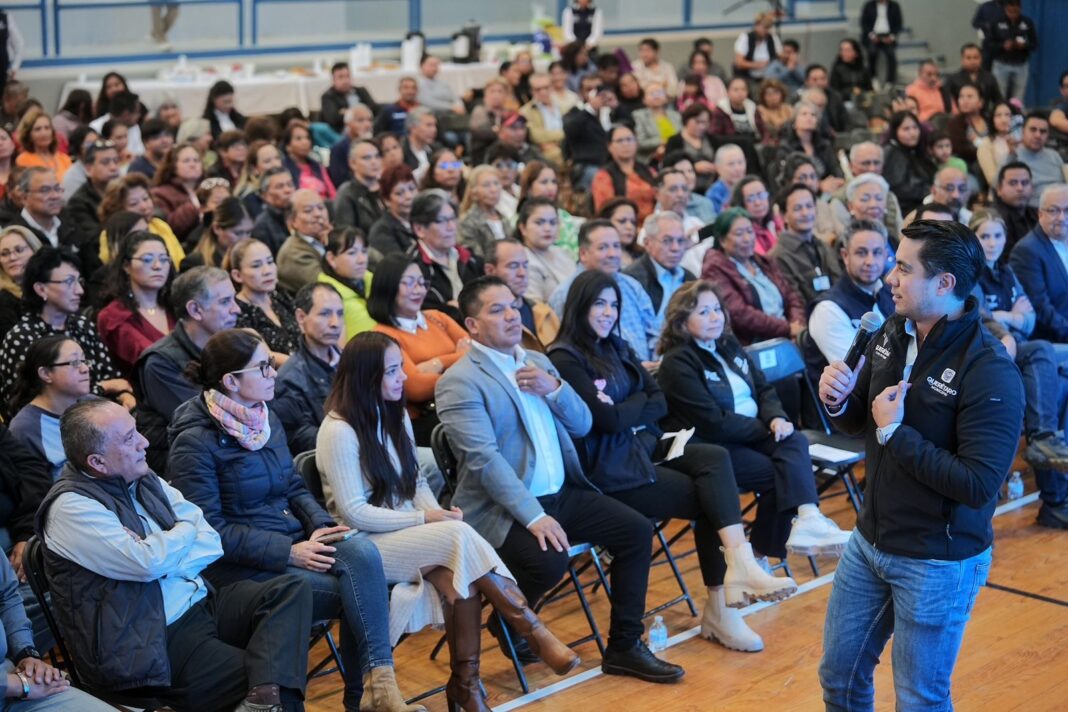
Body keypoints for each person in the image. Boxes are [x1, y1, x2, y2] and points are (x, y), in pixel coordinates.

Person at [817, 219, 1024, 711]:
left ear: (944, 283)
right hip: (869, 542)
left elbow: (977, 485)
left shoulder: (989, 368)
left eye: (904, 268)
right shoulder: (890, 329)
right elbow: (862, 422)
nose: (890, 276)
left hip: (937, 561)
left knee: (919, 699)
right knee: (838, 678)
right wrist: (840, 403)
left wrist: (895, 432)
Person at [436, 276, 684, 684]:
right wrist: (534, 517)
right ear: (473, 325)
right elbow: (484, 461)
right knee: (550, 560)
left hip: (562, 493)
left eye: (513, 305)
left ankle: (624, 647)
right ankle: (512, 617)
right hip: (503, 509)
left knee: (636, 532)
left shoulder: (541, 362)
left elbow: (584, 424)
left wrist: (555, 390)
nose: (511, 315)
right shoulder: (460, 381)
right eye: (496, 310)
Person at [319, 331, 577, 710]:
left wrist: (433, 516)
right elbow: (355, 512)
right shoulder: (338, 430)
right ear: (364, 378)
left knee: (462, 579)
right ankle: (526, 627)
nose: (403, 377)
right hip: (364, 547)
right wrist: (428, 517)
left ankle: (466, 685)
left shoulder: (394, 416)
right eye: (392, 371)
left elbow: (417, 482)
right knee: (459, 536)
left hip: (406, 535)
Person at [167, 329, 420, 712]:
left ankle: (376, 691)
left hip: (294, 542)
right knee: (366, 591)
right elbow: (211, 532)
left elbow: (293, 487)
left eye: (272, 363)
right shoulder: (194, 441)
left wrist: (319, 523)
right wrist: (288, 551)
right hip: (242, 571)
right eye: (264, 366)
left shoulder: (264, 419)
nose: (274, 373)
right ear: (231, 381)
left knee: (364, 555)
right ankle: (366, 698)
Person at [550, 271, 798, 652]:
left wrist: (625, 409)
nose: (608, 312)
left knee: (713, 460)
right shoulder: (566, 358)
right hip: (613, 466)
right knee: (711, 500)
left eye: (614, 304)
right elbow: (607, 421)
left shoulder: (616, 345)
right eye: (599, 303)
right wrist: (631, 409)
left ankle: (739, 569)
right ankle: (723, 606)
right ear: (578, 306)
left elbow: (656, 400)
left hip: (649, 444)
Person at [40, 398, 314, 710]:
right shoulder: (71, 507)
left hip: (198, 601)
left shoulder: (141, 476)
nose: (144, 442)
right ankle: (266, 693)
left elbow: (210, 539)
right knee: (279, 681)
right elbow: (148, 563)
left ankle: (262, 698)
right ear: (97, 463)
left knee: (290, 589)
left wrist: (162, 546)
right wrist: (182, 532)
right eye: (129, 438)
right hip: (150, 638)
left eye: (136, 430)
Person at [657, 279, 851, 561]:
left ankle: (809, 518)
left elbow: (763, 388)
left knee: (794, 439)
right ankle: (761, 554)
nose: (714, 317)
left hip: (752, 434)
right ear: (682, 321)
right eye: (702, 312)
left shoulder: (727, 343)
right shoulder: (677, 363)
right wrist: (768, 428)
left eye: (716, 309)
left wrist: (776, 418)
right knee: (778, 473)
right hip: (713, 446)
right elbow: (713, 422)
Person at [971, 209, 1068, 524]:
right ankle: (1043, 439)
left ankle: (1055, 491)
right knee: (1041, 350)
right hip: (986, 354)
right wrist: (1010, 317)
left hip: (1015, 349)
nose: (992, 242)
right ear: (972, 238)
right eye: (984, 236)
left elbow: (1031, 318)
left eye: (997, 235)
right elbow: (981, 319)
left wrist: (1009, 318)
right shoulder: (969, 273)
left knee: (1062, 381)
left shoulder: (1007, 271)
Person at [0, 248, 132, 418]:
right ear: (41, 289)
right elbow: (36, 404)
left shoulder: (82, 325)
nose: (80, 291)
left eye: (79, 281)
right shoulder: (22, 337)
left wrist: (124, 394)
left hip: (101, 416)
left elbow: (112, 376)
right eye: (69, 282)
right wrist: (104, 387)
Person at [134, 265, 240, 473]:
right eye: (225, 301)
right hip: (192, 467)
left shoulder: (232, 346)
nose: (237, 309)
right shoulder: (160, 362)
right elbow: (209, 420)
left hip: (229, 454)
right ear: (195, 310)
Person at [370, 254, 469, 446]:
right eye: (409, 283)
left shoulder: (437, 317)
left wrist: (439, 363)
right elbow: (416, 387)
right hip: (426, 420)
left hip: (461, 401)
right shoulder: (382, 336)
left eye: (422, 282)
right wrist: (461, 358)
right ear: (388, 287)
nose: (419, 290)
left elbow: (478, 354)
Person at [549, 220, 660, 363]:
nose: (612, 254)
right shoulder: (566, 294)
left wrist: (656, 363)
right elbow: (569, 348)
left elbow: (653, 333)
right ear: (583, 253)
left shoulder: (631, 285)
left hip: (647, 372)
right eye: (603, 248)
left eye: (616, 246)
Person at [804, 219, 895, 381]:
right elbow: (858, 374)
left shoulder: (891, 292)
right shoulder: (828, 309)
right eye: (861, 252)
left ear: (886, 255)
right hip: (850, 401)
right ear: (845, 256)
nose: (870, 261)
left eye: (877, 252)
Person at [701, 208, 805, 345]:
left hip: (789, 336)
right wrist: (787, 329)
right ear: (722, 241)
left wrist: (797, 324)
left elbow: (791, 295)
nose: (747, 239)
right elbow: (740, 314)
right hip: (754, 344)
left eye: (750, 232)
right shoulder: (714, 270)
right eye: (739, 234)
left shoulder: (763, 262)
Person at [273, 282, 344, 455]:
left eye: (340, 314)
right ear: (301, 317)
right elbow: (303, 439)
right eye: (325, 314)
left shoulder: (352, 362)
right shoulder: (288, 379)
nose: (335, 323)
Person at [8, 335, 90, 480]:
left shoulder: (94, 405)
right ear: (46, 374)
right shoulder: (25, 429)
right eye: (75, 362)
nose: (85, 368)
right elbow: (34, 493)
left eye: (84, 360)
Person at [96, 231, 175, 377]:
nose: (158, 266)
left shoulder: (175, 306)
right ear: (126, 266)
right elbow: (151, 359)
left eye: (164, 259)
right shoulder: (114, 315)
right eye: (147, 259)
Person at [408, 191, 483, 321]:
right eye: (441, 221)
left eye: (453, 218)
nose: (451, 227)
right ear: (419, 229)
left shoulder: (470, 258)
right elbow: (429, 315)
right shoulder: (412, 268)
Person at [1010, 185, 1068, 344]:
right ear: (1040, 214)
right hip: (1054, 341)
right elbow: (1041, 309)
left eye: (1067, 210)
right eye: (1054, 210)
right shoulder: (1026, 251)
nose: (1062, 217)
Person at [229, 238, 300, 363]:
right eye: (256, 265)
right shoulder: (236, 311)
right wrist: (303, 367)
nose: (267, 271)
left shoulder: (280, 296)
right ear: (237, 275)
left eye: (270, 262)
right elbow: (264, 356)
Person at [768, 184, 842, 304]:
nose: (805, 213)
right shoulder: (777, 256)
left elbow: (839, 281)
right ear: (784, 216)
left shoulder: (823, 246)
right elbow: (795, 301)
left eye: (809, 206)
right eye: (797, 208)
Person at [97, 172, 186, 267]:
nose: (144, 206)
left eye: (146, 198)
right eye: (134, 204)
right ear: (118, 209)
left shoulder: (159, 225)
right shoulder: (113, 234)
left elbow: (181, 261)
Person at [624, 211, 694, 321]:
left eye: (680, 241)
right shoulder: (632, 279)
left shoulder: (689, 278)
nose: (675, 248)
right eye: (667, 241)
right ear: (647, 243)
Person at [12, 169, 84, 269]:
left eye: (57, 189)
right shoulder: (14, 234)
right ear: (24, 197)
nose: (54, 196)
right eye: (45, 190)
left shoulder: (71, 225)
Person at [318, 225, 375, 340]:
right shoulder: (326, 299)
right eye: (352, 253)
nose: (362, 260)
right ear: (331, 259)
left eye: (364, 251)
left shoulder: (375, 283)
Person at [591, 125, 657, 223]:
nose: (625, 144)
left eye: (629, 139)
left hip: (653, 224)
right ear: (610, 147)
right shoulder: (604, 175)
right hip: (622, 226)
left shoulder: (649, 171)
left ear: (636, 143)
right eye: (620, 141)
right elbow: (604, 211)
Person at [516, 161, 581, 258]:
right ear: (529, 187)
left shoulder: (564, 216)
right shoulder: (518, 218)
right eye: (544, 182)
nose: (551, 187)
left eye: (554, 182)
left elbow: (576, 251)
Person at [516, 197, 575, 305]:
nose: (548, 228)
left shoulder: (563, 252)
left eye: (553, 223)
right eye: (539, 223)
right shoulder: (521, 260)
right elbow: (536, 307)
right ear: (523, 228)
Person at [65, 140, 121, 247]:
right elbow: (95, 239)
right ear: (89, 169)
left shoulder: (126, 192)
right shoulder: (78, 203)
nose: (113, 167)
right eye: (105, 162)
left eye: (116, 161)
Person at [562, 77, 613, 192]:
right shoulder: (575, 113)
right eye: (588, 89)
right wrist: (590, 109)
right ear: (580, 93)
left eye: (598, 89)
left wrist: (616, 106)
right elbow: (569, 130)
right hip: (587, 166)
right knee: (599, 178)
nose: (594, 93)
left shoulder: (609, 111)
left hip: (611, 164)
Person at [277, 188, 331, 294]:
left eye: (321, 208)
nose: (318, 214)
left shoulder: (329, 236)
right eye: (308, 210)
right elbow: (326, 287)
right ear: (293, 221)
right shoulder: (293, 253)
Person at [883, 110, 937, 217]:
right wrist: (930, 192)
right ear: (895, 131)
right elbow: (898, 187)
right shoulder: (893, 152)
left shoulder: (914, 150)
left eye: (915, 127)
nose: (913, 133)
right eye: (906, 129)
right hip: (907, 209)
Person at [985, 0, 1037, 102]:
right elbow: (988, 45)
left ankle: (1016, 117)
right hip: (1001, 64)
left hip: (1021, 65)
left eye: (1015, 11)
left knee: (1018, 98)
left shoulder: (1027, 22)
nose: (1013, 14)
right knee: (999, 96)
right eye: (1010, 11)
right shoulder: (996, 22)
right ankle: (999, 116)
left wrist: (1024, 46)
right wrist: (1002, 46)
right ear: (1005, 9)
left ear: (1020, 9)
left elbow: (1034, 44)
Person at [151, 142, 203, 244]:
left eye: (196, 160)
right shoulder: (160, 194)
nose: (193, 165)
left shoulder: (208, 189)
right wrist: (194, 207)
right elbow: (169, 229)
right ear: (173, 166)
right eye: (186, 161)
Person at [182, 196, 252, 270]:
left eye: (248, 232)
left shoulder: (250, 257)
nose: (245, 239)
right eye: (238, 233)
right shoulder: (195, 263)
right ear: (217, 228)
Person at [1015, 112, 1067, 208]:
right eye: (1033, 130)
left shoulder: (1054, 155)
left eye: (1043, 131)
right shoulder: (1014, 156)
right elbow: (997, 185)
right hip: (1033, 210)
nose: (1038, 135)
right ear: (1023, 131)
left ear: (1048, 136)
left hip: (1063, 207)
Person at [333, 140, 383, 239]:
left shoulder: (386, 188)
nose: (374, 162)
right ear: (353, 164)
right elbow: (346, 234)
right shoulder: (346, 194)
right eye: (367, 158)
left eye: (377, 156)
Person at [368, 164, 417, 258]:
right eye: (400, 193)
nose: (409, 196)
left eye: (412, 189)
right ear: (387, 200)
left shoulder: (425, 220)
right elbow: (399, 267)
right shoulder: (382, 231)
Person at [457, 165, 506, 259]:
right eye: (486, 185)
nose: (493, 190)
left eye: (496, 183)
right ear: (473, 192)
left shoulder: (504, 219)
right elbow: (475, 258)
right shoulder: (467, 222)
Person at [519, 73, 566, 168]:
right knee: (555, 154)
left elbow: (573, 130)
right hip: (543, 154)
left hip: (566, 147)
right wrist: (564, 134)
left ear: (552, 87)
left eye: (546, 88)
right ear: (531, 91)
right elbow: (535, 136)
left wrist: (556, 141)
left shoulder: (564, 105)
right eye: (538, 89)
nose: (543, 92)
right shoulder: (526, 111)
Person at [0, 225, 38, 340]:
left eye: (19, 250)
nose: (12, 257)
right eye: (4, 254)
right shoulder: (2, 299)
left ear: (35, 250)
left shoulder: (49, 287)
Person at [282, 120, 335, 201]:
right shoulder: (283, 170)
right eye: (298, 139)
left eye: (307, 138)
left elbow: (332, 193)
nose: (305, 142)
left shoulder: (318, 166)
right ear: (288, 146)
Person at [321, 62, 378, 134]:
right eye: (340, 77)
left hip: (368, 129)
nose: (345, 80)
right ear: (333, 80)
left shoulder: (361, 91)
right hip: (343, 133)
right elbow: (332, 119)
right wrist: (359, 112)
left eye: (347, 76)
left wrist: (346, 112)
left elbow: (374, 108)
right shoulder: (328, 97)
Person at [991, 161, 1037, 251]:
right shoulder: (994, 219)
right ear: (999, 189)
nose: (1020, 188)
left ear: (1032, 188)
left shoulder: (1038, 214)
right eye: (1013, 183)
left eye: (1025, 183)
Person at [631, 82, 680, 166]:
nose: (656, 96)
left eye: (660, 93)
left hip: (677, 156)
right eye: (652, 93)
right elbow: (640, 142)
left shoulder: (676, 115)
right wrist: (663, 142)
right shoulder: (638, 116)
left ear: (666, 97)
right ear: (644, 99)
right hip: (650, 160)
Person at [14, 110, 71, 182]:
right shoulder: (23, 159)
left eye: (47, 128)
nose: (44, 133)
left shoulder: (65, 159)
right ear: (28, 135)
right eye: (37, 129)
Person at [731, 175, 781, 255]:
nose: (758, 202)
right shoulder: (744, 232)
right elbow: (762, 261)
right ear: (741, 204)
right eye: (751, 198)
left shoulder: (774, 221)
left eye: (761, 195)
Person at [250, 167, 295, 256]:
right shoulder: (261, 227)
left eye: (290, 185)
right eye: (280, 187)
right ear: (264, 194)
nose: (287, 190)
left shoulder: (302, 215)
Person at [946, 43, 1002, 111]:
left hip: (984, 116)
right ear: (962, 60)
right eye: (968, 58)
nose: (972, 61)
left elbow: (998, 100)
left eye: (976, 57)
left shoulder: (989, 77)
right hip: (960, 116)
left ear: (981, 59)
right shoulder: (953, 79)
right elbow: (948, 102)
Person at [237, 140, 283, 219]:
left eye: (277, 158)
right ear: (254, 169)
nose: (276, 164)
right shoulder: (249, 198)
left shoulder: (286, 186)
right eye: (267, 161)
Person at [860, 0, 902, 85]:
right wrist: (872, 35)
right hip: (873, 35)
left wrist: (892, 36)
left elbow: (899, 23)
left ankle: (889, 81)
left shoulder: (894, 6)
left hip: (888, 35)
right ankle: (873, 78)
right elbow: (864, 23)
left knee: (891, 55)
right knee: (872, 52)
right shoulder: (869, 5)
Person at [732, 11, 782, 81]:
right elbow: (739, 63)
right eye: (764, 27)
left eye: (768, 28)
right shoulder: (746, 38)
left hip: (769, 76)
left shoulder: (773, 38)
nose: (766, 31)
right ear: (756, 26)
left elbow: (780, 56)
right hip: (748, 77)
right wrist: (757, 65)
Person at [707, 144, 747, 215]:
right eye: (731, 164)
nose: (737, 169)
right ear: (718, 168)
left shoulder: (751, 186)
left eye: (740, 162)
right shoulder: (713, 194)